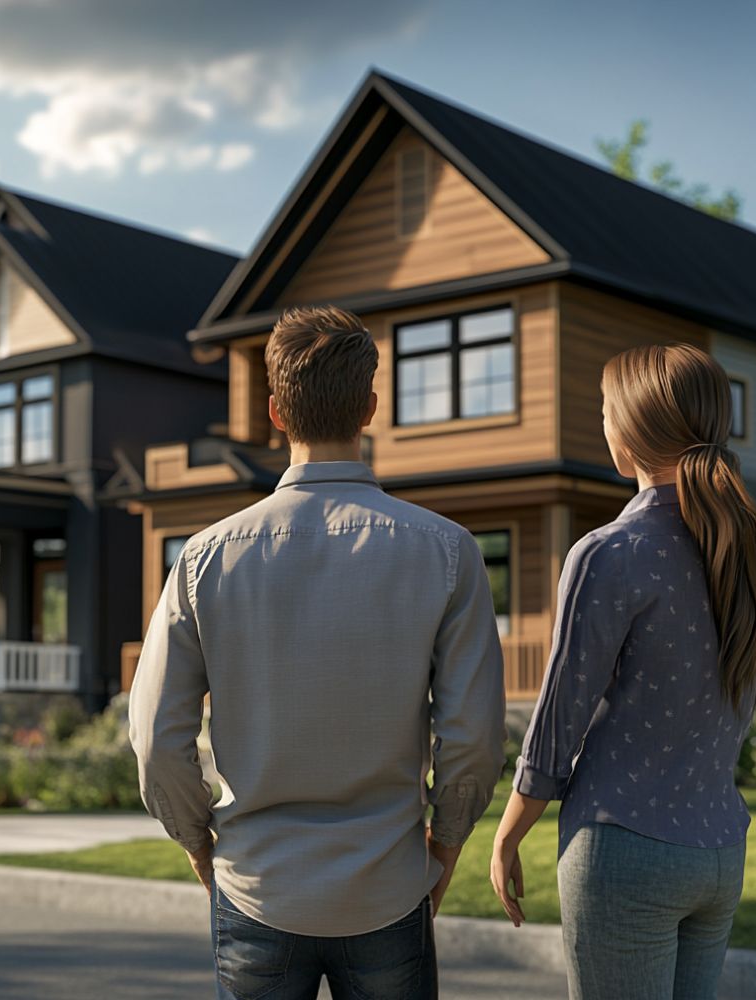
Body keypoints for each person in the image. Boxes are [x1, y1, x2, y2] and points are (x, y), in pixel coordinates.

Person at [130, 305, 505, 1000]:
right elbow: (474, 738)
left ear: (275, 411)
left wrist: (199, 845)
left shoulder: (203, 560)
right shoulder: (448, 553)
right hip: (389, 888)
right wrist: (445, 847)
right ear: (370, 406)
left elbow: (156, 739)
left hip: (256, 886)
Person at [490, 343, 756, 1000]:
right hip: (720, 851)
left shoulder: (610, 552)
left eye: (607, 410)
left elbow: (559, 720)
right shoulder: (740, 548)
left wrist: (508, 834)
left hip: (625, 849)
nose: (604, 423)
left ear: (633, 431)